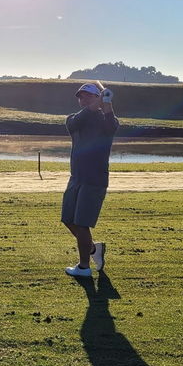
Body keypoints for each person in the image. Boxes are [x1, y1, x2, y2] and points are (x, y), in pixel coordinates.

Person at [62, 80, 119, 278]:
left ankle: (84, 267)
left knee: (82, 222)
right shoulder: (73, 119)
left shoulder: (105, 122)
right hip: (76, 177)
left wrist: (107, 104)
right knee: (68, 219)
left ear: (96, 96)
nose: (82, 99)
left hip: (94, 179)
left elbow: (112, 125)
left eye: (87, 95)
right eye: (80, 96)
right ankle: (94, 250)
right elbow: (77, 121)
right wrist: (98, 102)